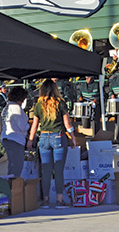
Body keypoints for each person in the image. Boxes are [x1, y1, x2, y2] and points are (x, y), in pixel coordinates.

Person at [28, 79, 76, 209]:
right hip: (58, 136)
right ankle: (59, 200)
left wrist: (30, 140)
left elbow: (34, 125)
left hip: (43, 136)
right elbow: (67, 124)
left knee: (46, 170)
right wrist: (73, 138)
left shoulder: (38, 105)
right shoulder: (60, 103)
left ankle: (45, 200)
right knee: (59, 170)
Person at [1, 86, 30, 179]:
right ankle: (14, 189)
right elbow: (23, 126)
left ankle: (11, 188)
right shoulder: (16, 108)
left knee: (12, 165)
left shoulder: (7, 107)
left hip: (7, 137)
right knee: (17, 168)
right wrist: (30, 125)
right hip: (15, 139)